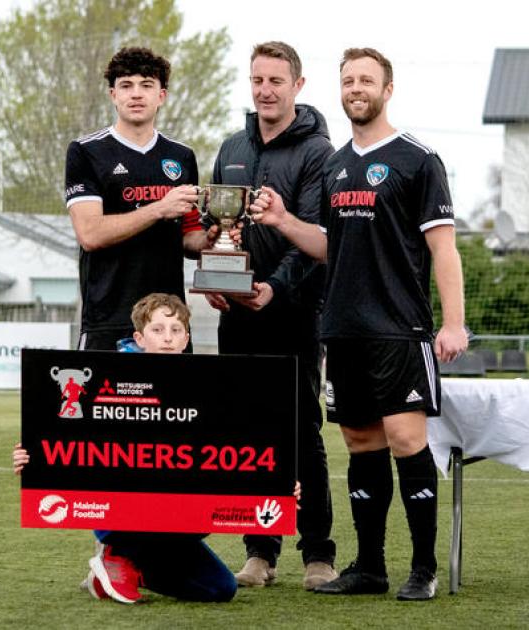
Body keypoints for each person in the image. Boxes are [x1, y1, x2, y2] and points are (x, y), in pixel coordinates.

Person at [249, 47, 469, 601]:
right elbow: (328, 244)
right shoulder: (335, 163)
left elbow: (443, 248)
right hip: (341, 328)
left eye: (366, 80)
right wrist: (281, 220)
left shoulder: (419, 159)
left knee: (404, 439)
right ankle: (369, 567)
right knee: (360, 441)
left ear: (387, 89)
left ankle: (422, 570)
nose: (355, 88)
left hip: (399, 328)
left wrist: (454, 323)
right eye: (347, 80)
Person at [204, 41, 336, 591]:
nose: (265, 90)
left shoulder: (319, 153)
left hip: (294, 314)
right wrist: (216, 275)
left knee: (303, 434)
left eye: (276, 81)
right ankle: (260, 552)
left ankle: (317, 554)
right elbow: (218, 225)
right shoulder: (232, 146)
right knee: (249, 433)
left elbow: (310, 237)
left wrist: (272, 290)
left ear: (297, 86)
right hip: (238, 315)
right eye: (257, 79)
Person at [14, 293, 238, 604]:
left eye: (176, 330)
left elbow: (237, 453)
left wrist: (274, 485)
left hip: (174, 519)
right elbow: (69, 443)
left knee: (221, 589)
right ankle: (117, 549)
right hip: (125, 514)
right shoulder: (111, 379)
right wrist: (34, 457)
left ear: (186, 339)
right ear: (140, 337)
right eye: (158, 330)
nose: (167, 339)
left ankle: (136, 568)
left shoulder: (205, 389)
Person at [65, 46, 217, 352]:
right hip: (109, 318)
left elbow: (189, 237)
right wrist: (159, 208)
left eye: (146, 85)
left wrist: (212, 240)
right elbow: (90, 234)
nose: (136, 94)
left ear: (161, 95)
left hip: (169, 323)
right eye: (126, 85)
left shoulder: (181, 156)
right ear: (113, 94)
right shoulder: (86, 152)